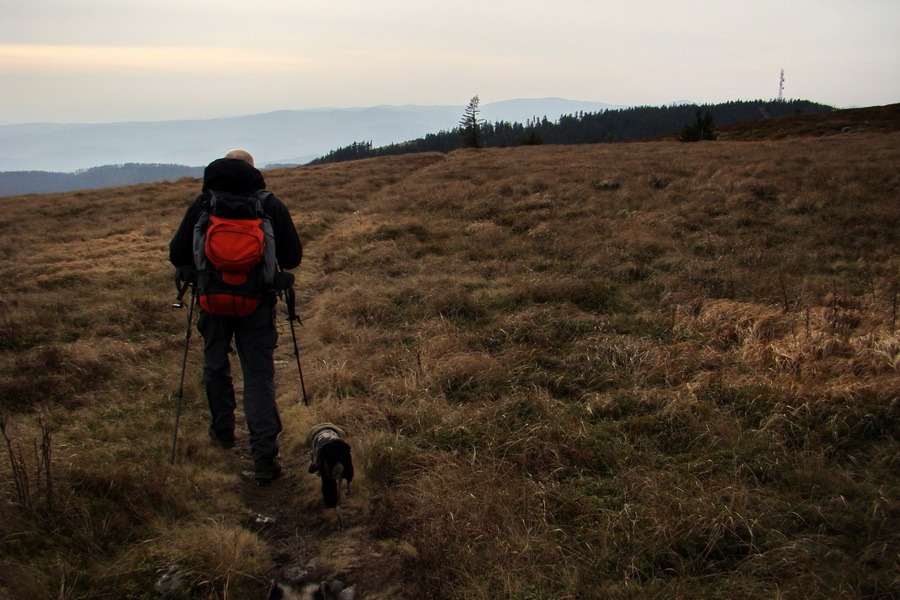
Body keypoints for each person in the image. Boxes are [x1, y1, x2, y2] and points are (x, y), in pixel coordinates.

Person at [169, 149, 302, 483]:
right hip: (257, 303)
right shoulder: (268, 204)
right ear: (252, 171)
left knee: (215, 364)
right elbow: (293, 257)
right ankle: (264, 457)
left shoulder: (204, 204)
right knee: (258, 376)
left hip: (212, 301)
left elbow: (176, 253)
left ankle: (223, 431)